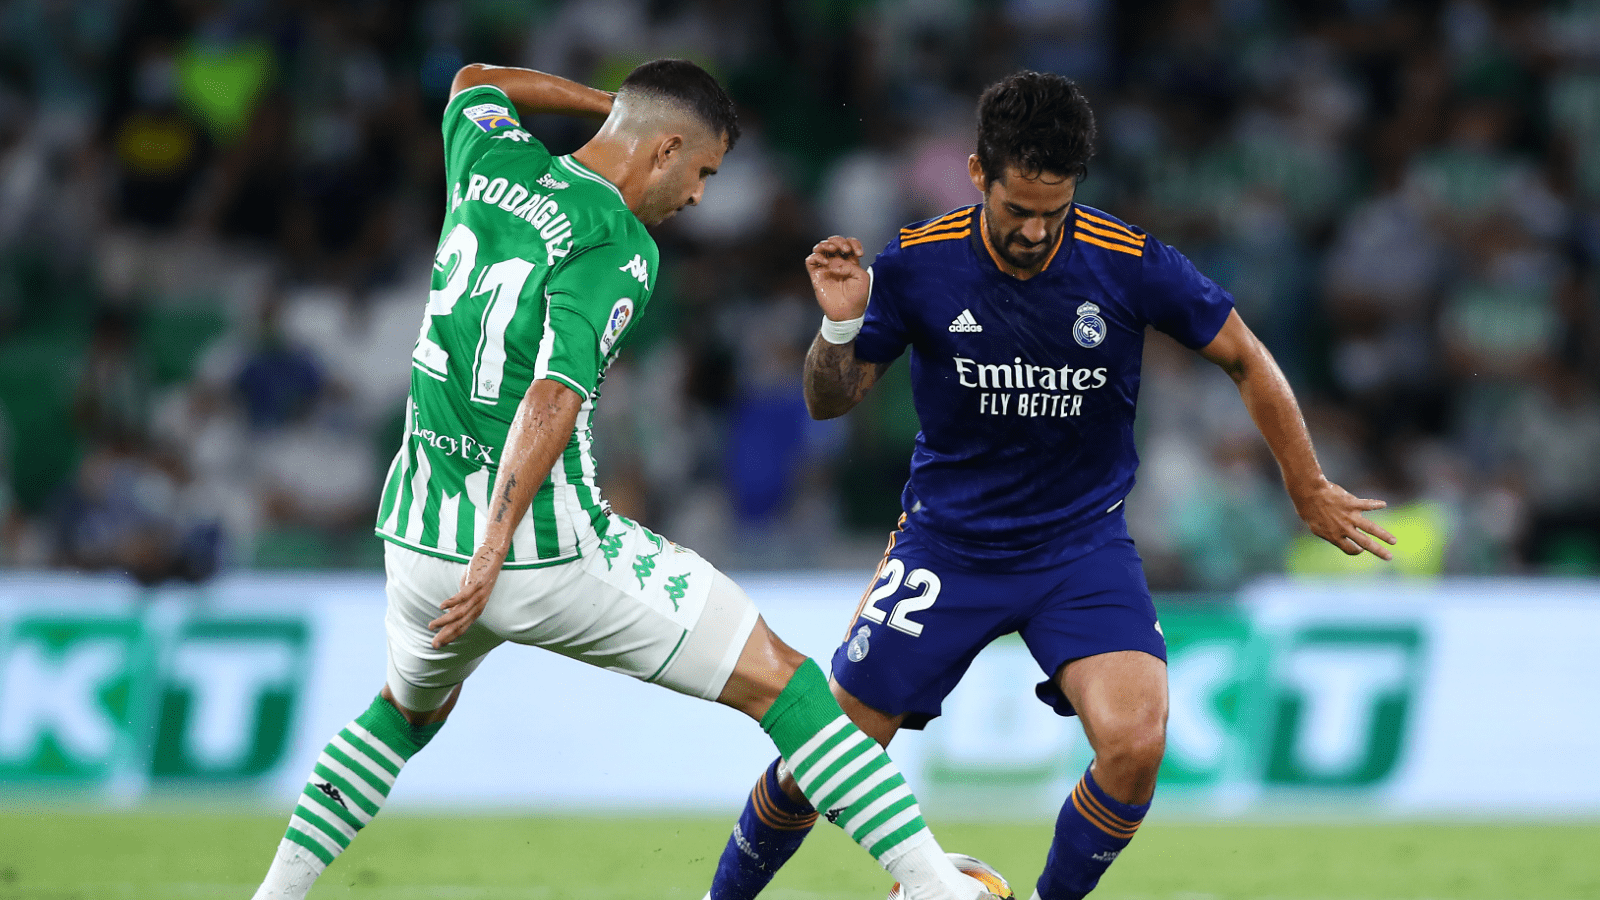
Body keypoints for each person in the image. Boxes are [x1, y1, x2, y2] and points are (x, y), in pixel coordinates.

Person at [251, 60, 996, 900]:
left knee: (403, 713)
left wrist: (611, 106)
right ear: (665, 148)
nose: (699, 196)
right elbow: (552, 392)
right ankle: (937, 888)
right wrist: (497, 540)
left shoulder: (491, 160)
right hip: (540, 550)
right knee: (787, 683)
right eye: (702, 170)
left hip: (420, 543)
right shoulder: (616, 243)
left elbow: (473, 80)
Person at [703, 71, 1398, 900]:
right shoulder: (918, 265)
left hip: (1080, 549)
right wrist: (840, 324)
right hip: (947, 549)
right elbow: (830, 400)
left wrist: (1306, 484)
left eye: (1054, 211)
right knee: (825, 760)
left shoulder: (1129, 261)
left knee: (1136, 744)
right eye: (1018, 210)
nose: (1035, 231)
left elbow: (1246, 356)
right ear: (977, 174)